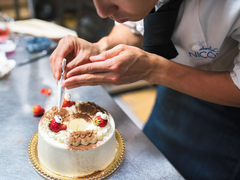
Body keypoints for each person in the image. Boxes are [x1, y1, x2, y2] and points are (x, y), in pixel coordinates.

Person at [49, 0, 240, 179]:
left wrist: (155, 70)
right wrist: (101, 48)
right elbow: (137, 29)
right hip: (173, 91)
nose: (102, 12)